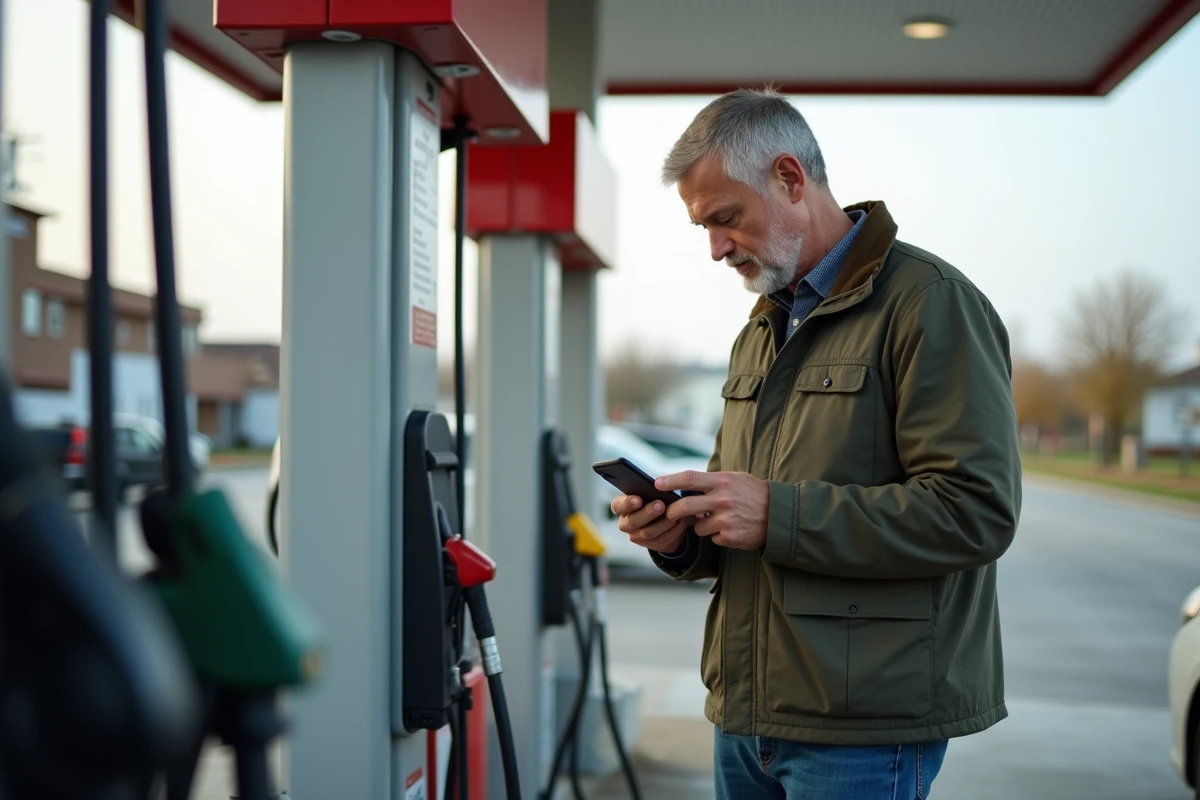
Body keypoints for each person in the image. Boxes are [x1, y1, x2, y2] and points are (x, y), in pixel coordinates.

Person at [611, 88, 1021, 800]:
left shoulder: (930, 305)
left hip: (863, 731)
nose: (714, 249)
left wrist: (779, 514)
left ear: (790, 179)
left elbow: (975, 510)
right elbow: (737, 515)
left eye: (725, 218)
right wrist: (675, 535)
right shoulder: (763, 327)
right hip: (745, 716)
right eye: (702, 227)